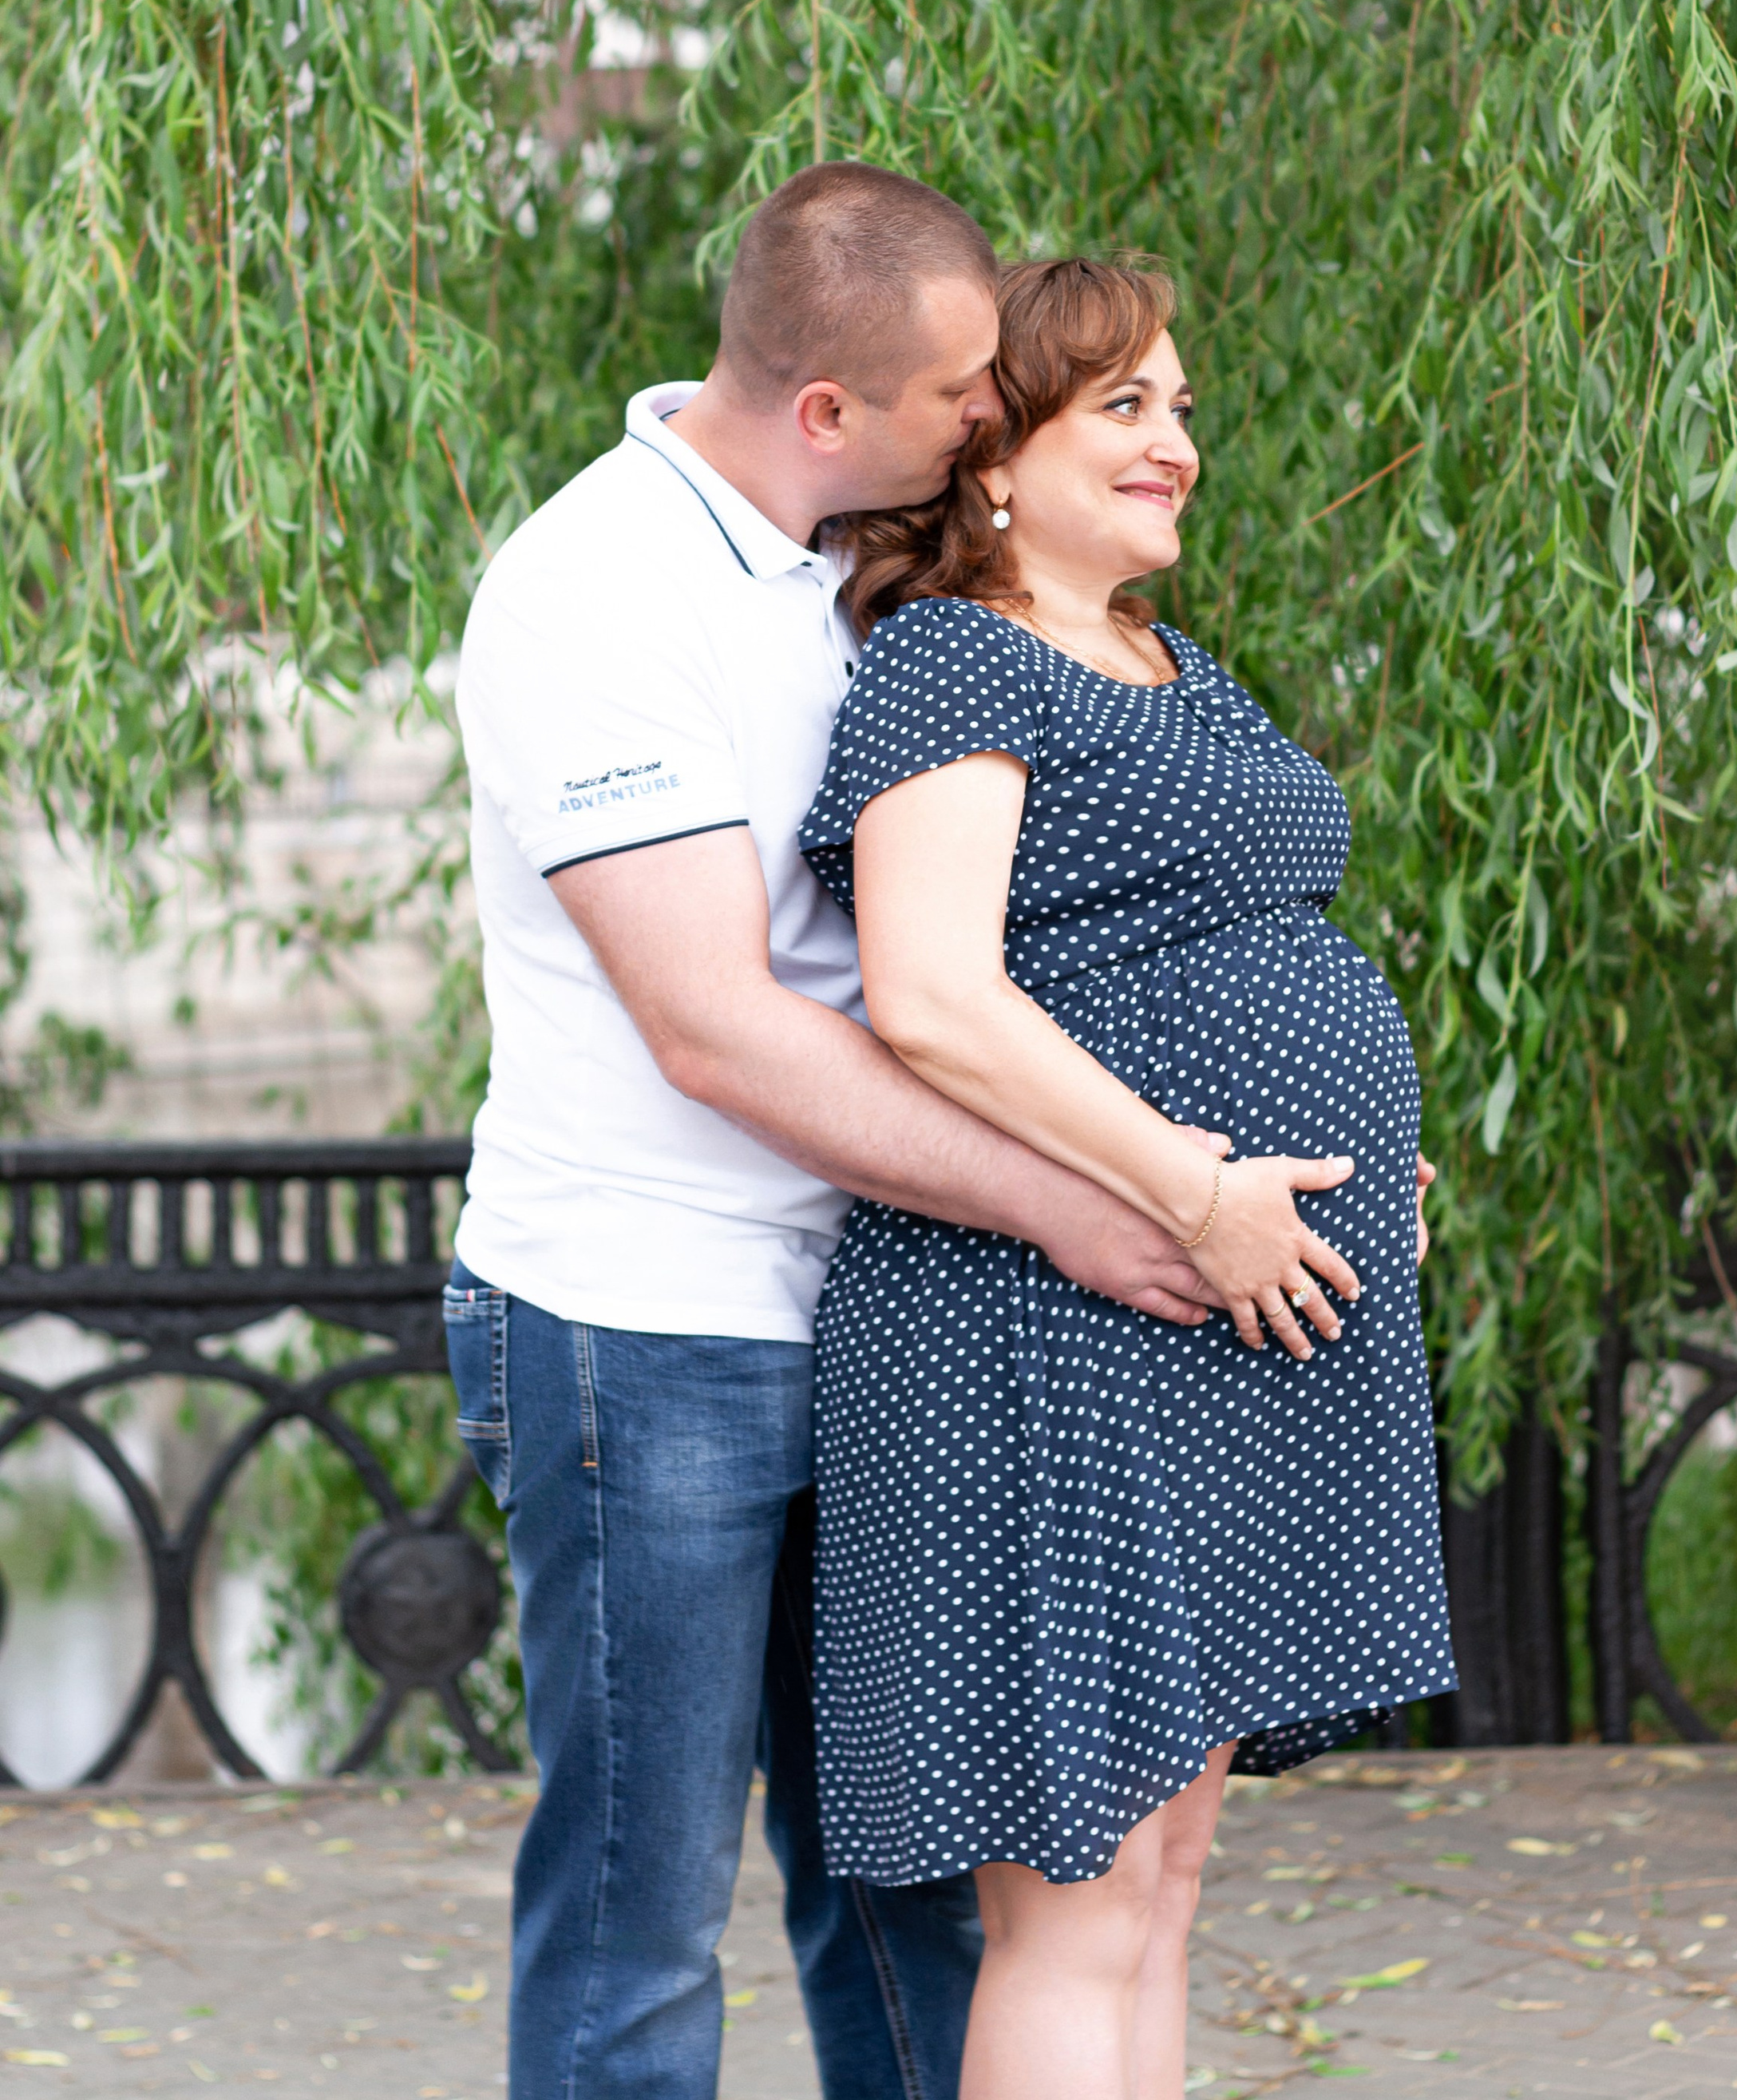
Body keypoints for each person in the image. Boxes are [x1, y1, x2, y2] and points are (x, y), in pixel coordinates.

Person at [444, 168, 1227, 2100]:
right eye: (965, 387)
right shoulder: (591, 589)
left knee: (906, 1884)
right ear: (824, 406)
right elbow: (720, 1026)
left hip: (893, 1311)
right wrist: (1086, 1207)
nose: (990, 416)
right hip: (653, 1328)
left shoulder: (863, 562)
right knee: (641, 1915)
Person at [799, 255, 1455, 2100]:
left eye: (1181, 405)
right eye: (1126, 407)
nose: (1176, 442)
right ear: (994, 447)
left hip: (1213, 1316)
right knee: (1076, 1894)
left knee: (1162, 1874)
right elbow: (931, 994)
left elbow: (1227, 939)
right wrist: (1195, 1183)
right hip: (1051, 1326)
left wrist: (1340, 1151)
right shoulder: (951, 658)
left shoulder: (1177, 664)